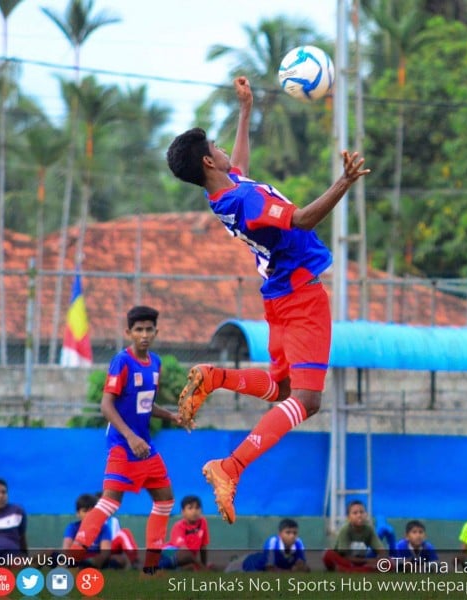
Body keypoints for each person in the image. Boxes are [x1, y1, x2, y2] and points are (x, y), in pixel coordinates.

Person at [166, 76, 370, 524]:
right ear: (206, 159)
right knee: (308, 401)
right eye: (215, 146)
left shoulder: (218, 193)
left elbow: (234, 166)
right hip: (300, 296)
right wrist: (344, 182)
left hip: (277, 294)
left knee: (279, 389)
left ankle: (216, 377)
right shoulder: (248, 200)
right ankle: (230, 466)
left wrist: (245, 111)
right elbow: (300, 218)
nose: (222, 150)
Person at [68, 306, 185, 574]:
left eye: (149, 329)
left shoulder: (155, 362)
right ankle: (72, 558)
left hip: (145, 446)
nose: (144, 334)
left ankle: (151, 569)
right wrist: (130, 437)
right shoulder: (122, 361)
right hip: (123, 445)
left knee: (165, 499)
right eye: (138, 330)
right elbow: (106, 405)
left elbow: (146, 404)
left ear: (156, 331)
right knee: (109, 502)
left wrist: (171, 416)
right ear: (128, 332)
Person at [322, 500, 387, 572]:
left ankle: (349, 570)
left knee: (389, 563)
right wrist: (368, 561)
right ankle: (356, 570)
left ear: (366, 515)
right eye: (355, 513)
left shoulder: (369, 529)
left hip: (361, 562)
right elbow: (345, 556)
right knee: (327, 554)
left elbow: (381, 550)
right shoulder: (345, 530)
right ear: (348, 517)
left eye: (362, 512)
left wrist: (380, 559)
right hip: (345, 561)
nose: (359, 515)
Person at [226, 518, 310, 572]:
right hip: (246, 565)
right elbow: (270, 570)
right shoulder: (272, 542)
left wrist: (301, 567)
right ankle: (234, 560)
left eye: (294, 533)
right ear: (280, 534)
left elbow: (303, 567)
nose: (292, 536)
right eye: (288, 532)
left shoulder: (298, 543)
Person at [62, 493, 117, 569]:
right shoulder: (72, 527)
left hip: (94, 561)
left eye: (92, 511)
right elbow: (66, 550)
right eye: (85, 511)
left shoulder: (104, 528)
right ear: (78, 513)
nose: (89, 514)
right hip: (75, 560)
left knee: (119, 559)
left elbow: (105, 553)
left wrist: (92, 561)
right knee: (47, 553)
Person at [158, 495, 213, 571]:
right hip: (168, 553)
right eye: (190, 508)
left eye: (197, 508)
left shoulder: (203, 522)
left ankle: (177, 569)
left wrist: (204, 565)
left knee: (191, 566)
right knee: (184, 555)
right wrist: (202, 567)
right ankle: (157, 566)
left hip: (187, 558)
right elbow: (184, 551)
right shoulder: (178, 526)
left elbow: (203, 547)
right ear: (183, 512)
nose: (194, 511)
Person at [96, 491, 140, 570]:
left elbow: (118, 540)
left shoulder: (113, 521)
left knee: (124, 533)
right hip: (98, 549)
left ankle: (135, 561)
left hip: (111, 548)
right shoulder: (93, 521)